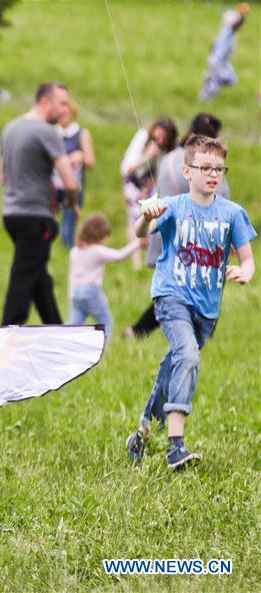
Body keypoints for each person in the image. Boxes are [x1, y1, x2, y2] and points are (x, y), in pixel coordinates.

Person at [125, 135, 255, 470]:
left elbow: (249, 259)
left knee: (173, 368)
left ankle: (141, 432)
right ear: (187, 171)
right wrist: (146, 215)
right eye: (205, 168)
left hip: (207, 310)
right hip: (171, 297)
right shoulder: (173, 206)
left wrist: (245, 271)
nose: (213, 175)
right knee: (186, 355)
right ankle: (175, 446)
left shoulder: (232, 213)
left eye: (219, 169)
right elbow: (142, 232)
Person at [126, 113, 230, 339]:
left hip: (168, 236)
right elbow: (220, 199)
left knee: (177, 292)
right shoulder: (200, 162)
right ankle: (141, 331)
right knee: (184, 293)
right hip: (190, 241)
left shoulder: (171, 157)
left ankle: (139, 332)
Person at [0, 81, 79, 326]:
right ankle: (7, 333)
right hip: (35, 216)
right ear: (45, 102)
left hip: (11, 213)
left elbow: (2, 175)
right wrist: (71, 202)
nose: (65, 110)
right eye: (62, 103)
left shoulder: (10, 128)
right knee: (23, 279)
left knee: (39, 279)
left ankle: (58, 333)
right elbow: (71, 182)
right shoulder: (45, 131)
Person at [66, 214, 139, 346]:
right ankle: (104, 348)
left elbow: (71, 275)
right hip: (91, 290)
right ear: (98, 235)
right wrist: (138, 243)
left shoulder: (75, 251)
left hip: (75, 291)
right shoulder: (96, 251)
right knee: (105, 321)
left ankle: (66, 345)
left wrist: (70, 293)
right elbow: (119, 256)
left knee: (73, 325)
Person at [120, 117, 178, 266]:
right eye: (156, 136)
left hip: (150, 184)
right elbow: (128, 169)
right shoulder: (142, 137)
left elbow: (160, 173)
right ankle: (136, 262)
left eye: (163, 139)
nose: (158, 141)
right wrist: (148, 156)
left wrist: (147, 189)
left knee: (153, 216)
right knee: (133, 218)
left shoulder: (168, 151)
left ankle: (151, 255)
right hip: (132, 179)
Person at [52, 99, 95, 248]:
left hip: (73, 188)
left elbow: (91, 161)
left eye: (66, 112)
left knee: (67, 231)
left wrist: (80, 156)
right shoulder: (51, 132)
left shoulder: (81, 134)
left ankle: (69, 255)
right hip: (52, 187)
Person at [199, 4, 250, 101]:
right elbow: (236, 24)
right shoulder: (227, 31)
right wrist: (242, 17)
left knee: (231, 79)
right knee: (214, 85)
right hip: (217, 62)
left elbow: (214, 46)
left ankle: (211, 80)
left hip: (223, 62)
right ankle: (207, 88)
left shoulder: (228, 32)